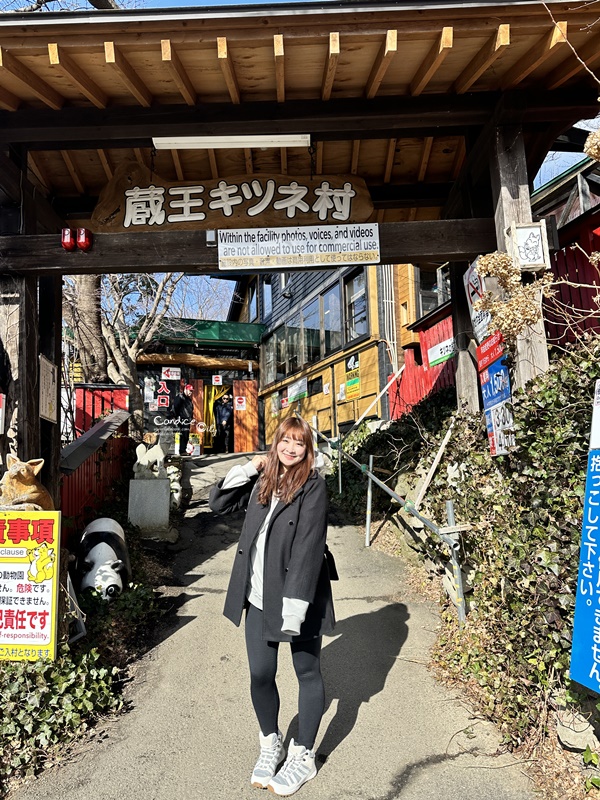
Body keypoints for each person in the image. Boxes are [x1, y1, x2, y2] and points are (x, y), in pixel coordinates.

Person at [209, 417, 336, 796]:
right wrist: (250, 468)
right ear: (276, 442)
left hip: (300, 596)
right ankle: (271, 743)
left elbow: (308, 548)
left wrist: (295, 608)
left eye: (300, 443)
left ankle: (304, 755)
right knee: (261, 674)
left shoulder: (313, 485)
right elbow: (217, 502)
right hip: (259, 595)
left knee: (306, 671)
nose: (292, 449)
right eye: (286, 441)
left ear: (308, 448)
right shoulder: (263, 480)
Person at [171, 383, 194, 456]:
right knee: (183, 435)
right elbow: (175, 407)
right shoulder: (180, 397)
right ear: (185, 390)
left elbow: (190, 410)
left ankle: (183, 450)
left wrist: (191, 419)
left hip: (187, 420)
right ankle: (182, 451)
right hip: (181, 419)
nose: (190, 392)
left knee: (186, 435)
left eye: (191, 391)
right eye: (189, 390)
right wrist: (175, 417)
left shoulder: (188, 399)